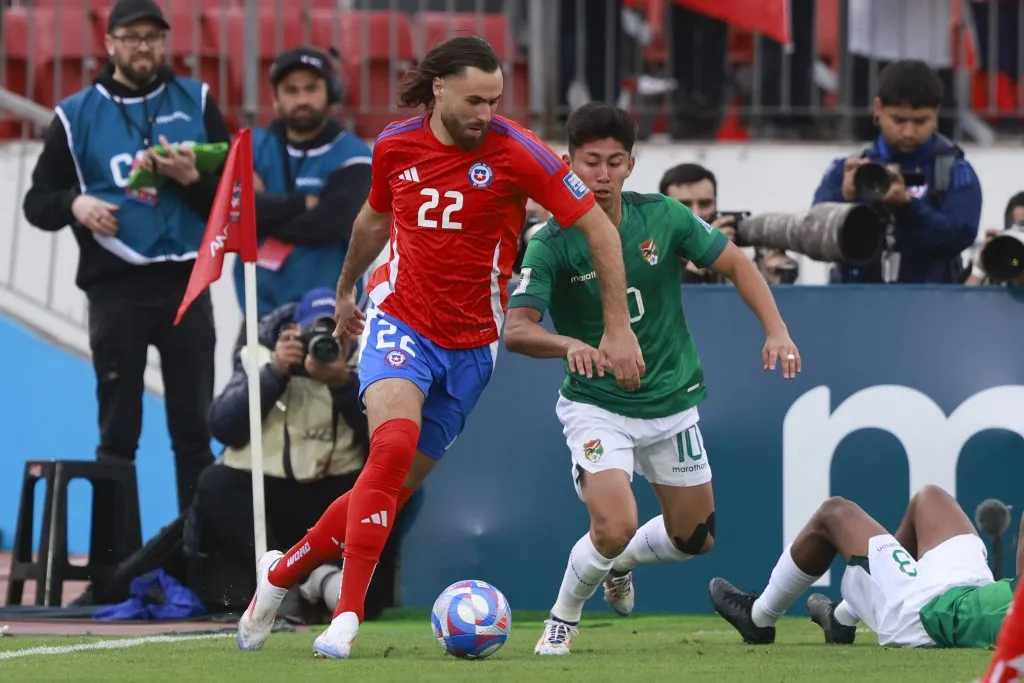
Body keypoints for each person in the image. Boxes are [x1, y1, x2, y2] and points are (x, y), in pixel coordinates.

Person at [236, 36, 644, 659]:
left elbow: (597, 230)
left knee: (385, 488)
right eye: (475, 99)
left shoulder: (517, 152)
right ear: (439, 90)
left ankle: (281, 573)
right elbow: (374, 220)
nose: (487, 112)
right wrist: (347, 289)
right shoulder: (396, 145)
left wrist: (618, 327)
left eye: (495, 99)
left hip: (473, 348)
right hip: (400, 320)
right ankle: (347, 614)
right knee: (391, 448)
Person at [502, 102, 801, 655]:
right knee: (614, 523)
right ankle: (563, 619)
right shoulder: (550, 241)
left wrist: (776, 329)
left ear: (631, 165)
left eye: (615, 161)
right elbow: (516, 330)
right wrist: (571, 345)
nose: (603, 174)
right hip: (597, 405)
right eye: (591, 161)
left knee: (695, 539)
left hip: (670, 401)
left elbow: (734, 261)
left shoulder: (662, 216)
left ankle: (620, 564)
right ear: (568, 165)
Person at [20, 0, 230, 601]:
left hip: (187, 283)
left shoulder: (197, 100)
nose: (144, 49)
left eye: (154, 38)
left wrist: (195, 180)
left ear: (166, 42)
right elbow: (38, 202)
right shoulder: (74, 115)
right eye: (132, 38)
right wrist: (76, 207)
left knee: (194, 430)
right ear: (109, 43)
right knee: (119, 432)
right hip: (116, 287)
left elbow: (231, 196)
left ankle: (199, 567)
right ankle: (117, 574)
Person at [195, 287, 397, 621]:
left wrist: (342, 384)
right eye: (313, 334)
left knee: (384, 487)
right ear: (294, 332)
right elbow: (222, 426)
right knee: (215, 483)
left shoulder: (368, 361)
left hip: (331, 492)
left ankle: (321, 579)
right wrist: (274, 372)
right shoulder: (264, 356)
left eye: (334, 333)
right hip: (270, 495)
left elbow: (384, 437)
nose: (324, 344)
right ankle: (280, 580)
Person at [709, 485, 1021, 649]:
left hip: (926, 615)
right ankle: (842, 618)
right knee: (930, 498)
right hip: (974, 590)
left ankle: (759, 618)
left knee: (834, 513)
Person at [812, 59, 981, 284]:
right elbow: (814, 235)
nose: (909, 132)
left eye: (921, 121)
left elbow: (960, 236)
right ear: (878, 109)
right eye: (898, 120)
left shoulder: (955, 170)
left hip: (931, 303)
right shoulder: (849, 168)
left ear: (936, 113)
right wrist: (844, 199)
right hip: (855, 302)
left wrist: (908, 207)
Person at [238, 47, 372, 328]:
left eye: (311, 88)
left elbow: (327, 223)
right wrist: (301, 204)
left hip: (330, 315)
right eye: (291, 90)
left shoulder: (355, 155)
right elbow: (236, 217)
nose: (302, 99)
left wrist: (264, 211)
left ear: (330, 92)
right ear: (275, 98)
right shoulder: (249, 148)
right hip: (258, 316)